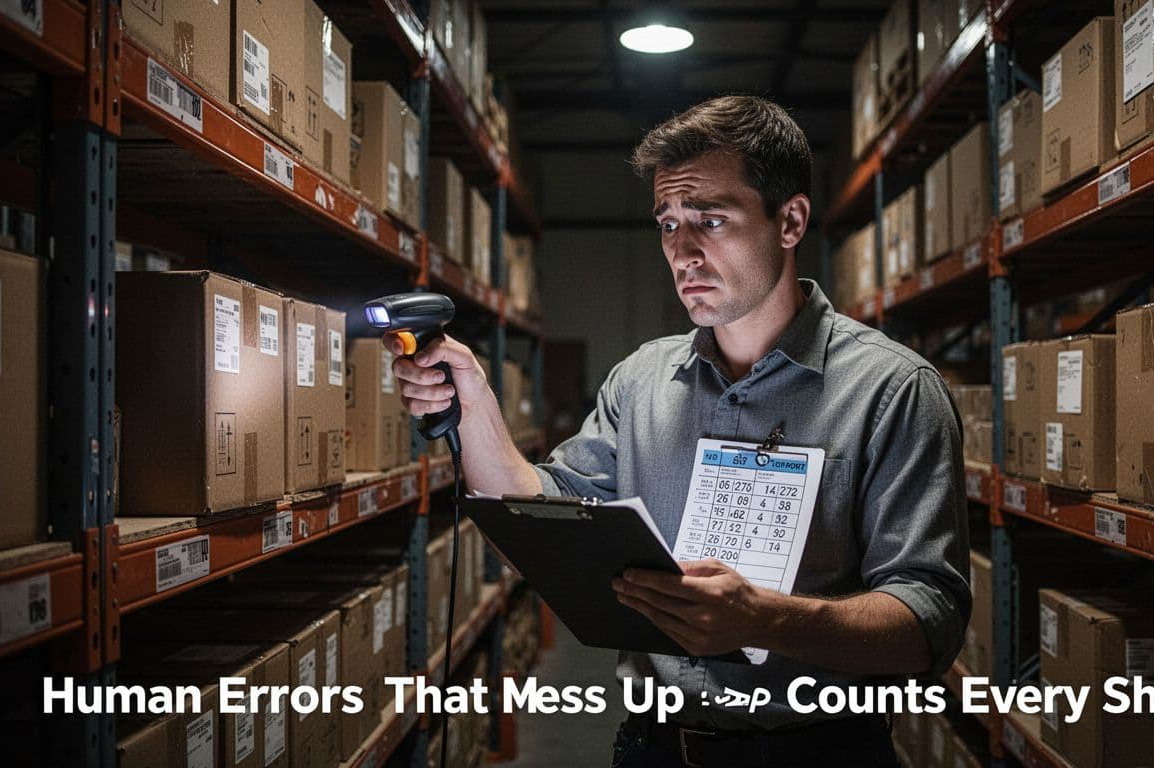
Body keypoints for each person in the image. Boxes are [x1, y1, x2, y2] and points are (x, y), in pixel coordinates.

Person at [388, 95, 970, 767]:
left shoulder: (893, 391)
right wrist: (476, 405)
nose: (682, 250)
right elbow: (538, 515)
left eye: (710, 220)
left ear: (790, 220)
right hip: (651, 748)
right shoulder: (642, 381)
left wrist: (765, 618)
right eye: (667, 223)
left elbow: (930, 619)